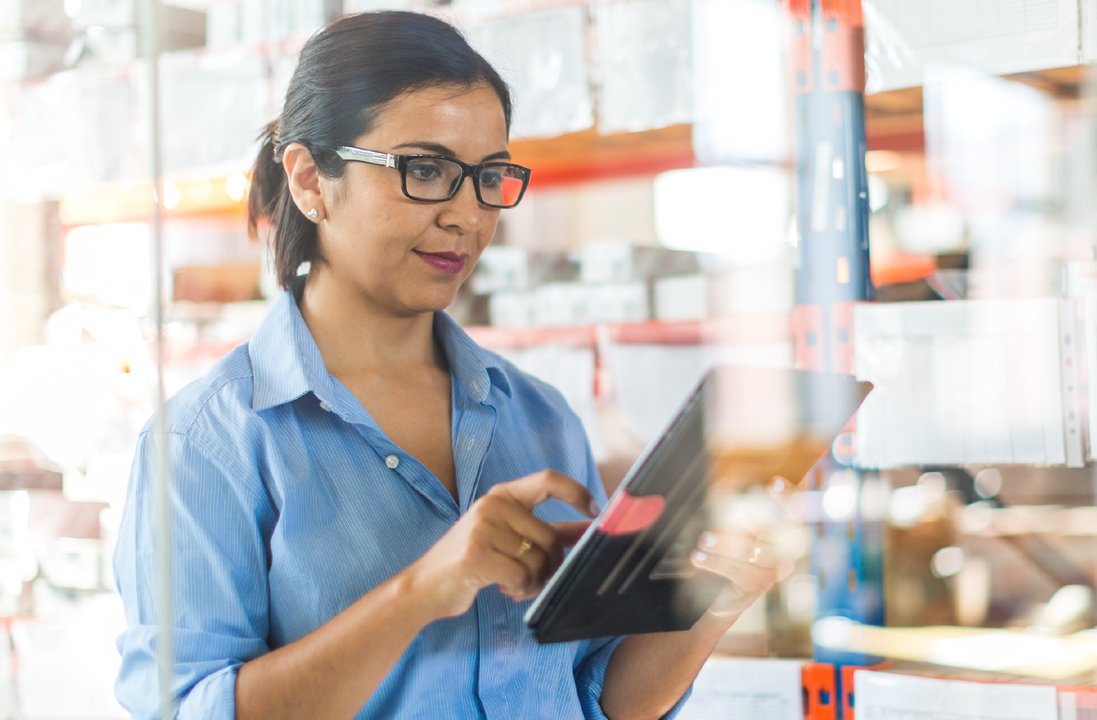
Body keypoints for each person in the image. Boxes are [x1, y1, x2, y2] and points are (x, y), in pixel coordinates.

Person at [115, 11, 787, 720]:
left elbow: (597, 695)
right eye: (425, 170)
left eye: (489, 176)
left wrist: (714, 598)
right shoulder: (205, 445)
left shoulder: (538, 415)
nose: (468, 215)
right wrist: (425, 587)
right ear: (311, 180)